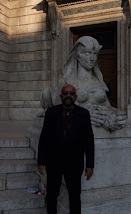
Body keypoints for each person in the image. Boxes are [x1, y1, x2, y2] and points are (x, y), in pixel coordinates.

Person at [41, 36, 127, 131]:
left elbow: (108, 106)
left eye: (95, 54)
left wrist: (118, 114)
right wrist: (85, 114)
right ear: (78, 56)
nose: (92, 58)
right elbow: (63, 108)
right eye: (88, 53)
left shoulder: (99, 82)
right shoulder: (69, 82)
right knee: (46, 91)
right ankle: (47, 110)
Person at [38, 84, 94, 214]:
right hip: (54, 163)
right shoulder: (51, 113)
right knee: (52, 195)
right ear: (61, 96)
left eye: (71, 93)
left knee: (75, 197)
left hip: (75, 164)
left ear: (75, 96)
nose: (68, 96)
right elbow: (44, 138)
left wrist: (90, 165)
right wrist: (41, 161)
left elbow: (89, 141)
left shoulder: (84, 114)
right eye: (66, 93)